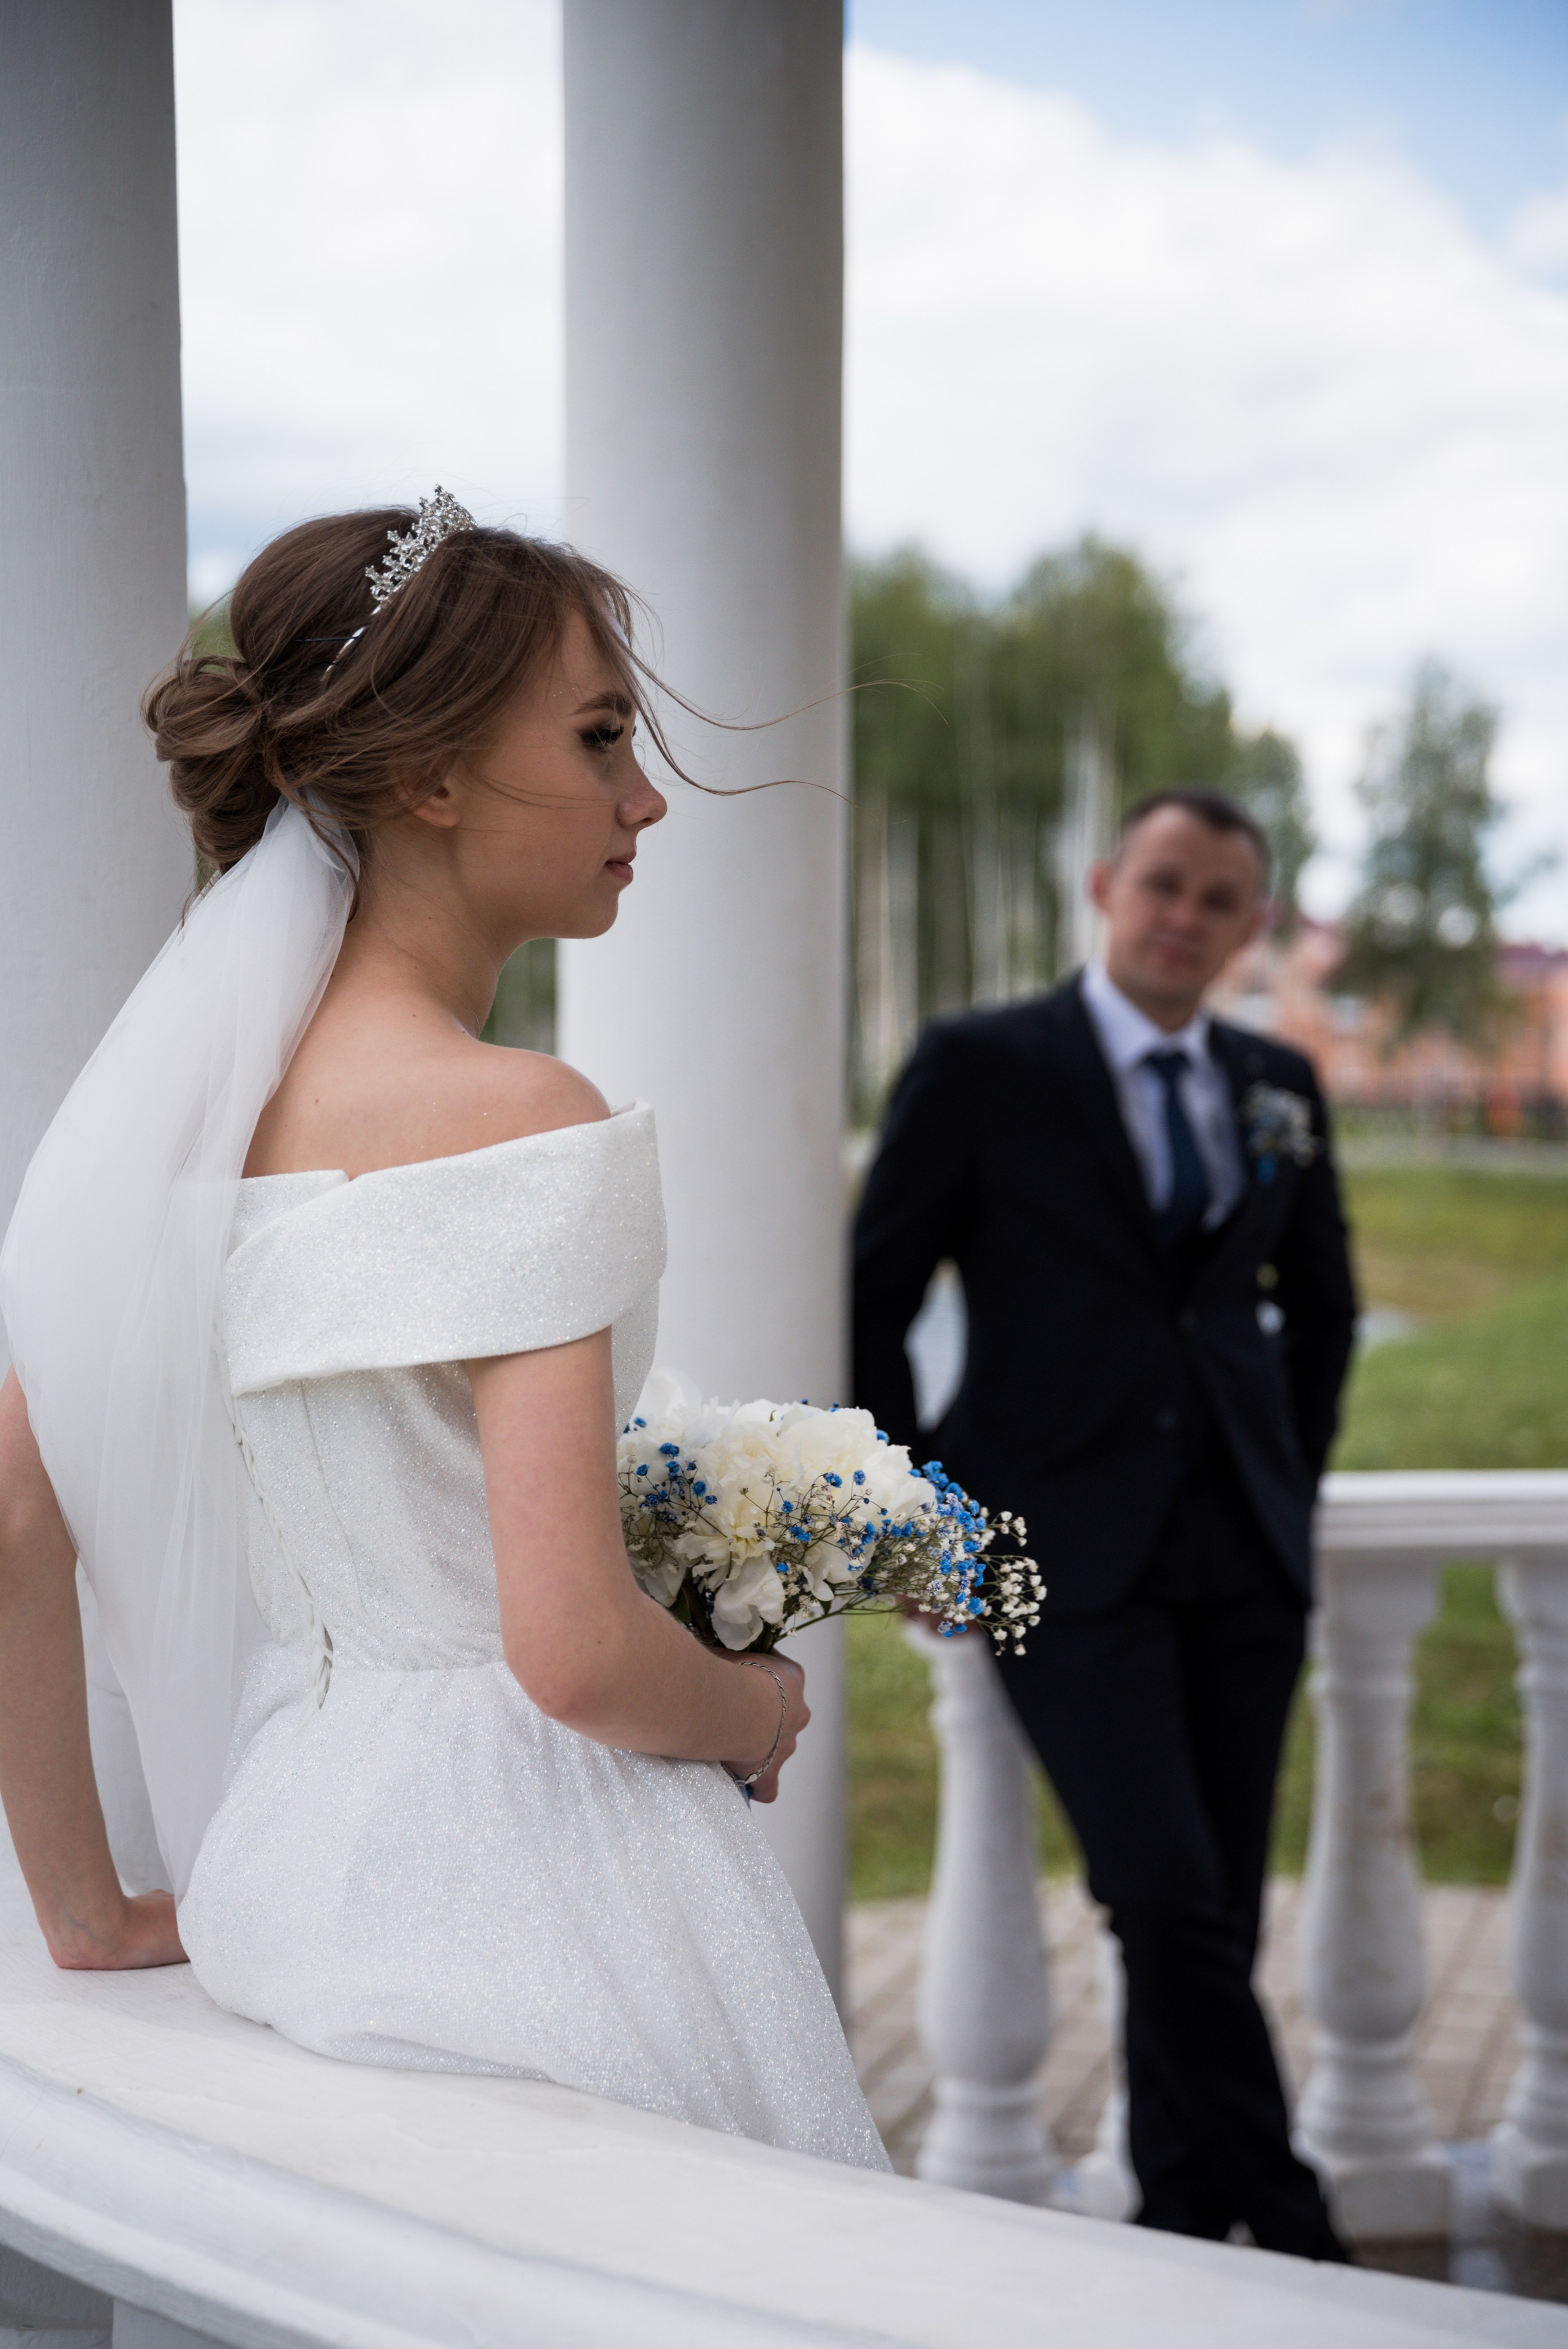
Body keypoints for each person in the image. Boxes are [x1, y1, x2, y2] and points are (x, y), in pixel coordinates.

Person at [0, 496, 886, 2170]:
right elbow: (571, 1654)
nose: (646, 795)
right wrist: (754, 1707)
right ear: (427, 778)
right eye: (603, 733)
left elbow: (13, 1517)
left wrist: (87, 1906)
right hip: (542, 1888)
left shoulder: (196, 1127)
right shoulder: (518, 1117)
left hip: (293, 1871)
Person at [853, 790, 1358, 2254]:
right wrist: (925, 1515)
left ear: (1251, 927)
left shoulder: (1275, 1081)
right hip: (1051, 1550)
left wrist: (1288, 1479)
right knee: (1159, 1892)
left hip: (1243, 1556)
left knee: (1204, 1919)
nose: (1183, 916)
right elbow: (873, 1297)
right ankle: (1298, 2223)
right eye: (1162, 884)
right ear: (1102, 885)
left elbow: (1316, 1312)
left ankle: (1187, 2226)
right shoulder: (978, 1065)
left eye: (1219, 899)